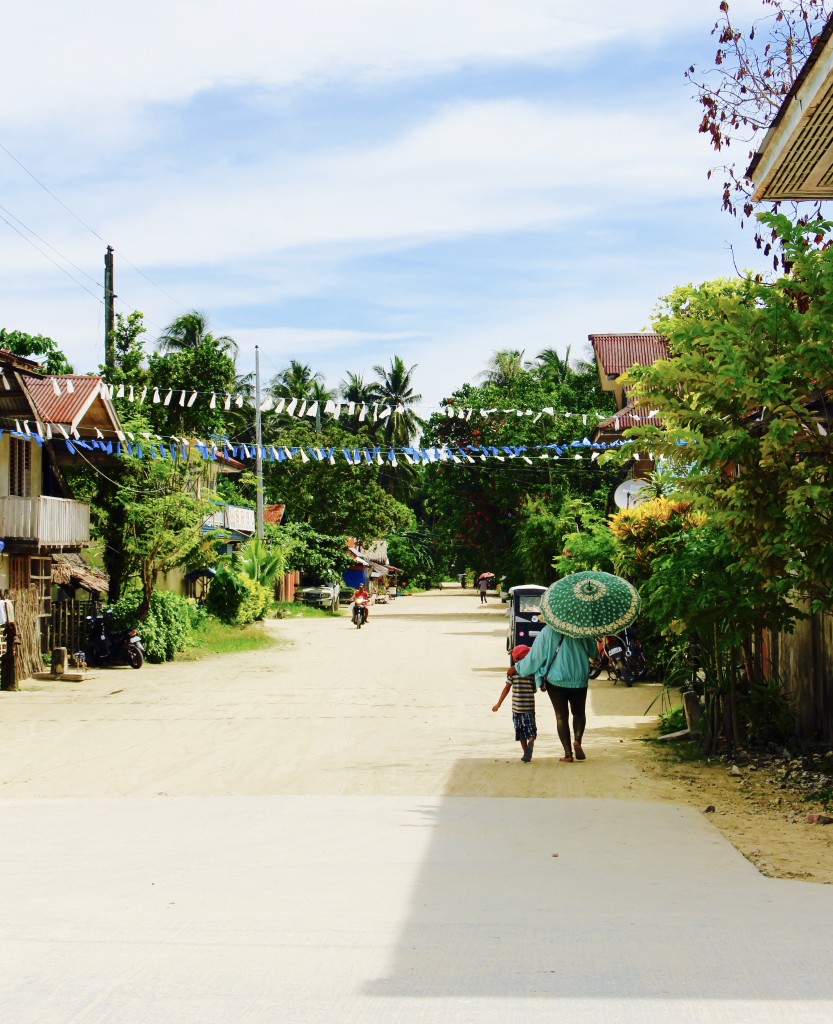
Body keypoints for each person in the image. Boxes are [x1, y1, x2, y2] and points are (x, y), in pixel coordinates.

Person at [515, 626, 597, 762]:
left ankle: (568, 754)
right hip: (579, 678)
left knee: (561, 716)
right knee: (579, 712)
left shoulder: (547, 631)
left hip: (556, 680)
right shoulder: (583, 629)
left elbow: (535, 657)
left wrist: (518, 668)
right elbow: (593, 653)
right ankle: (577, 741)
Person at [492, 644, 537, 762]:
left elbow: (506, 688)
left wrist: (498, 704)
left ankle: (526, 753)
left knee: (520, 732)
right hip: (529, 708)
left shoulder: (512, 673)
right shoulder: (532, 673)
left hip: (516, 709)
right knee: (531, 731)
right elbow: (534, 689)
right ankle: (531, 743)